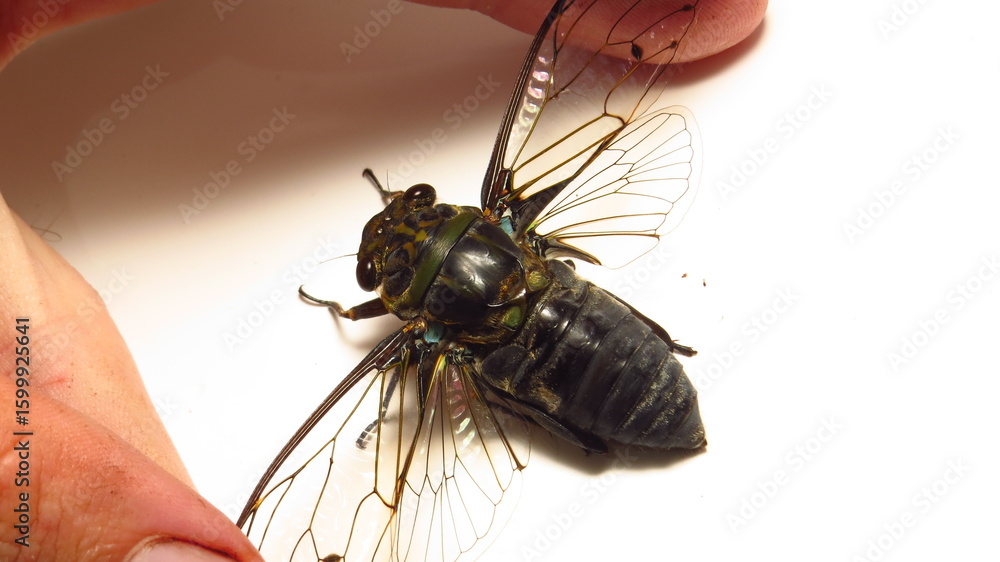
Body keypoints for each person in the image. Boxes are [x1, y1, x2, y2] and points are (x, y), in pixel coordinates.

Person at [0, 0, 766, 559]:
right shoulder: (505, 217)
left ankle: (602, 417)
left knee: (520, 385)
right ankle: (632, 378)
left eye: (410, 212)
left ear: (393, 303)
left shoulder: (416, 341)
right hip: (611, 342)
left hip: (595, 383)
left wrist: (348, 305)